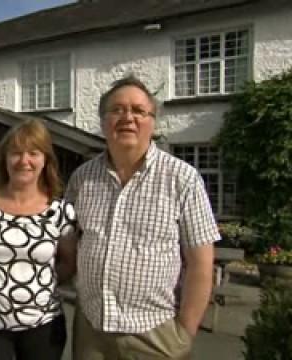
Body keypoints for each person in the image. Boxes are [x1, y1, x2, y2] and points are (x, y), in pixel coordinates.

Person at [65, 75, 220, 359]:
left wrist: (184, 334)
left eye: (138, 111)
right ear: (103, 122)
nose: (128, 118)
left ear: (153, 121)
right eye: (117, 110)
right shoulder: (82, 178)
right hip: (90, 332)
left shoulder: (182, 178)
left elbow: (201, 263)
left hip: (155, 337)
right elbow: (69, 243)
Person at [0, 119, 78, 360]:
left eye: (33, 153)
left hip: (44, 324)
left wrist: (39, 286)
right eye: (16, 153)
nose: (24, 161)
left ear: (45, 160)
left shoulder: (61, 211)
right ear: (5, 159)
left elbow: (68, 263)